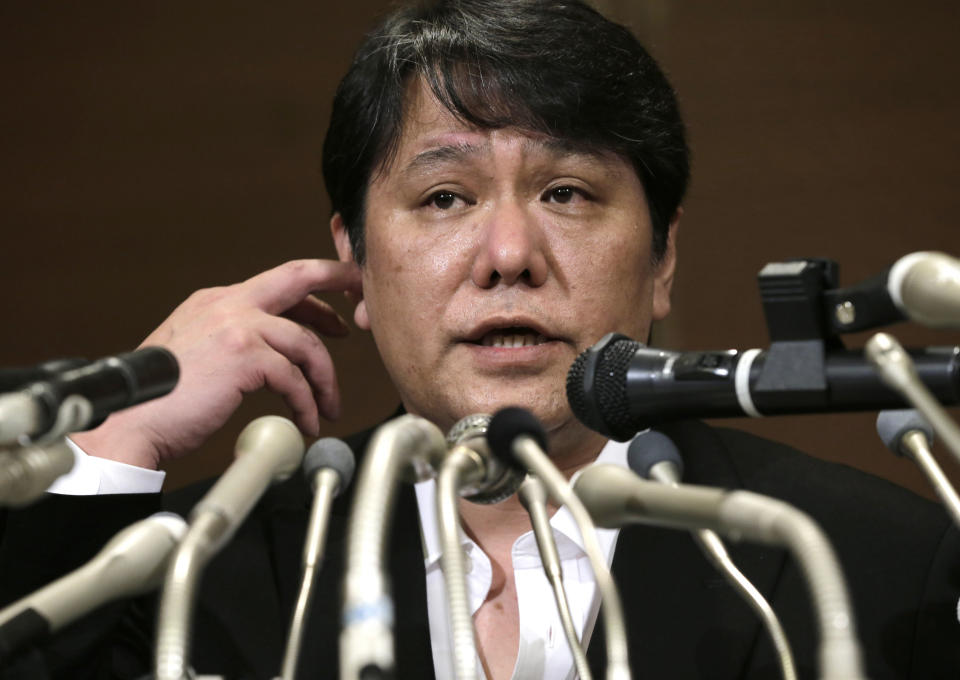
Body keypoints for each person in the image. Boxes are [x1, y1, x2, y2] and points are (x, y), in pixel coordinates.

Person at [1, 1, 957, 678]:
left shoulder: (877, 560)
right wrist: (120, 442)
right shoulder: (206, 573)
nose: (509, 254)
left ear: (663, 259)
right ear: (360, 263)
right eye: (445, 197)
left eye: (567, 193)